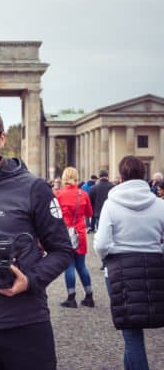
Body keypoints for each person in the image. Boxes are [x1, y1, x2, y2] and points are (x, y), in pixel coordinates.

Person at [0, 102, 73, 370]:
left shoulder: (33, 187)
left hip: (26, 326)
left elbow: (63, 250)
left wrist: (31, 280)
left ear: (2, 137)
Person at [94, 155, 164, 370]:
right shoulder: (159, 204)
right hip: (154, 267)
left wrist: (107, 259)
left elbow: (102, 243)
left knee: (131, 334)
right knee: (132, 335)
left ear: (121, 176)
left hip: (120, 269)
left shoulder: (111, 204)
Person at [55, 167, 95, 308]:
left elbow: (54, 216)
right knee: (81, 266)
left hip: (65, 234)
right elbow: (89, 213)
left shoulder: (59, 195)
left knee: (69, 266)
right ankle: (89, 296)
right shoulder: (83, 194)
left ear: (64, 177)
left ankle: (71, 298)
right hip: (80, 233)